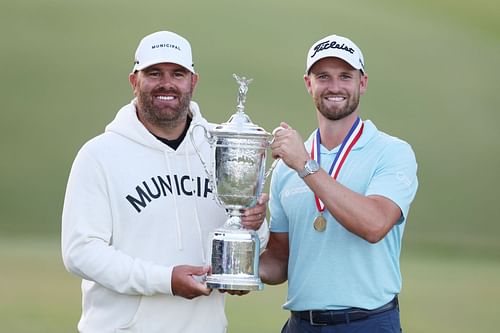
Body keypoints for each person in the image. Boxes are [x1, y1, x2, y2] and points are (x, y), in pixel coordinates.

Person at [61, 30, 269, 333]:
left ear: (193, 81)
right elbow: (80, 252)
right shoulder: (99, 155)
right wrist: (165, 280)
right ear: (134, 81)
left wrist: (255, 225)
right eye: (154, 73)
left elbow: (247, 237)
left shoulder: (220, 148)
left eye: (178, 73)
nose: (167, 83)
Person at [260, 34, 418, 332]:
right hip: (301, 324)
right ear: (309, 83)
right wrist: (239, 255)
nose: (334, 87)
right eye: (323, 77)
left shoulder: (392, 152)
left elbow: (374, 225)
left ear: (363, 82)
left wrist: (306, 166)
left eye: (345, 76)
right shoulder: (287, 166)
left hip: (367, 323)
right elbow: (278, 264)